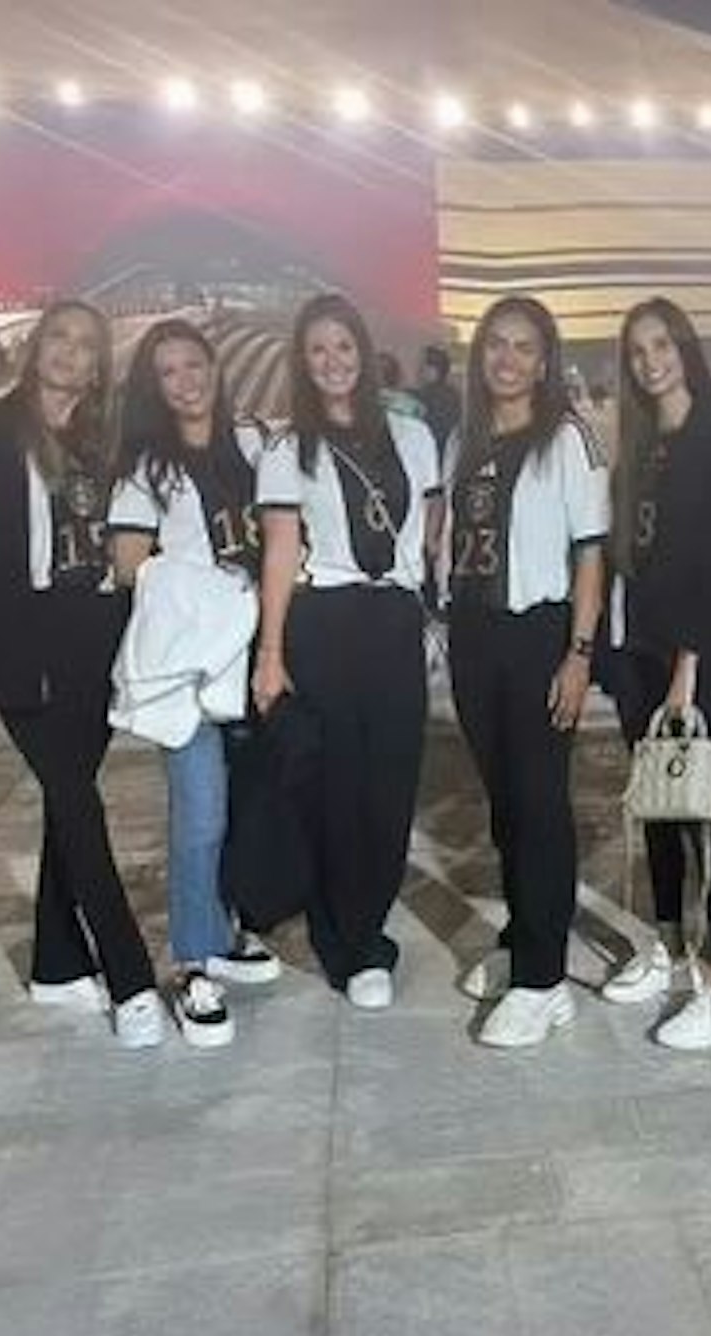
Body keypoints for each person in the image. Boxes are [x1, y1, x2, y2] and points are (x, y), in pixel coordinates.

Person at [0, 300, 169, 1047]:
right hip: (24, 633)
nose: (71, 352)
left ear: (101, 364)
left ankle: (55, 962)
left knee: (67, 799)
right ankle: (129, 974)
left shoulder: (109, 439)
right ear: (36, 346)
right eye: (60, 338)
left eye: (87, 344)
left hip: (97, 631)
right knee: (75, 797)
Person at [252, 294, 441, 1011]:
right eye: (317, 350)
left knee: (391, 785)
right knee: (337, 786)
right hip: (324, 619)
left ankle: (370, 918)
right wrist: (271, 653)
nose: (332, 361)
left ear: (363, 352)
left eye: (342, 346)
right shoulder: (286, 449)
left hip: (393, 619)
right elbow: (279, 551)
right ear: (302, 363)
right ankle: (350, 942)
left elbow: (432, 529)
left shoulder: (412, 436)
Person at [107, 318, 284, 1047]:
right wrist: (214, 593)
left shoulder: (256, 442)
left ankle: (222, 929)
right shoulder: (145, 467)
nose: (185, 381)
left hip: (260, 653)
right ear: (152, 387)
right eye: (168, 371)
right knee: (200, 813)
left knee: (247, 809)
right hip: (193, 665)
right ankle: (191, 962)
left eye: (193, 364)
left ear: (215, 365)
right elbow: (128, 564)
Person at [599, 297, 711, 1048]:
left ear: (684, 347)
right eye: (637, 352)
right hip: (639, 643)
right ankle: (668, 944)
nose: (650, 362)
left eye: (661, 345)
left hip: (695, 652)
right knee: (655, 800)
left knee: (698, 804)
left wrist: (689, 668)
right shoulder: (639, 443)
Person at [444, 296, 608, 1048]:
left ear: (545, 363)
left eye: (523, 348)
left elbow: (590, 551)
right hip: (476, 632)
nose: (507, 360)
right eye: (496, 345)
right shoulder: (465, 437)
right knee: (506, 803)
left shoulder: (567, 439)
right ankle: (524, 940)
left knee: (539, 802)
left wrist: (579, 653)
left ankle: (543, 980)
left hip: (541, 633)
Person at [416, 344, 462, 457]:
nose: (419, 370)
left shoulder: (426, 396)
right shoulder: (455, 395)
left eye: (423, 365)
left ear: (433, 369)